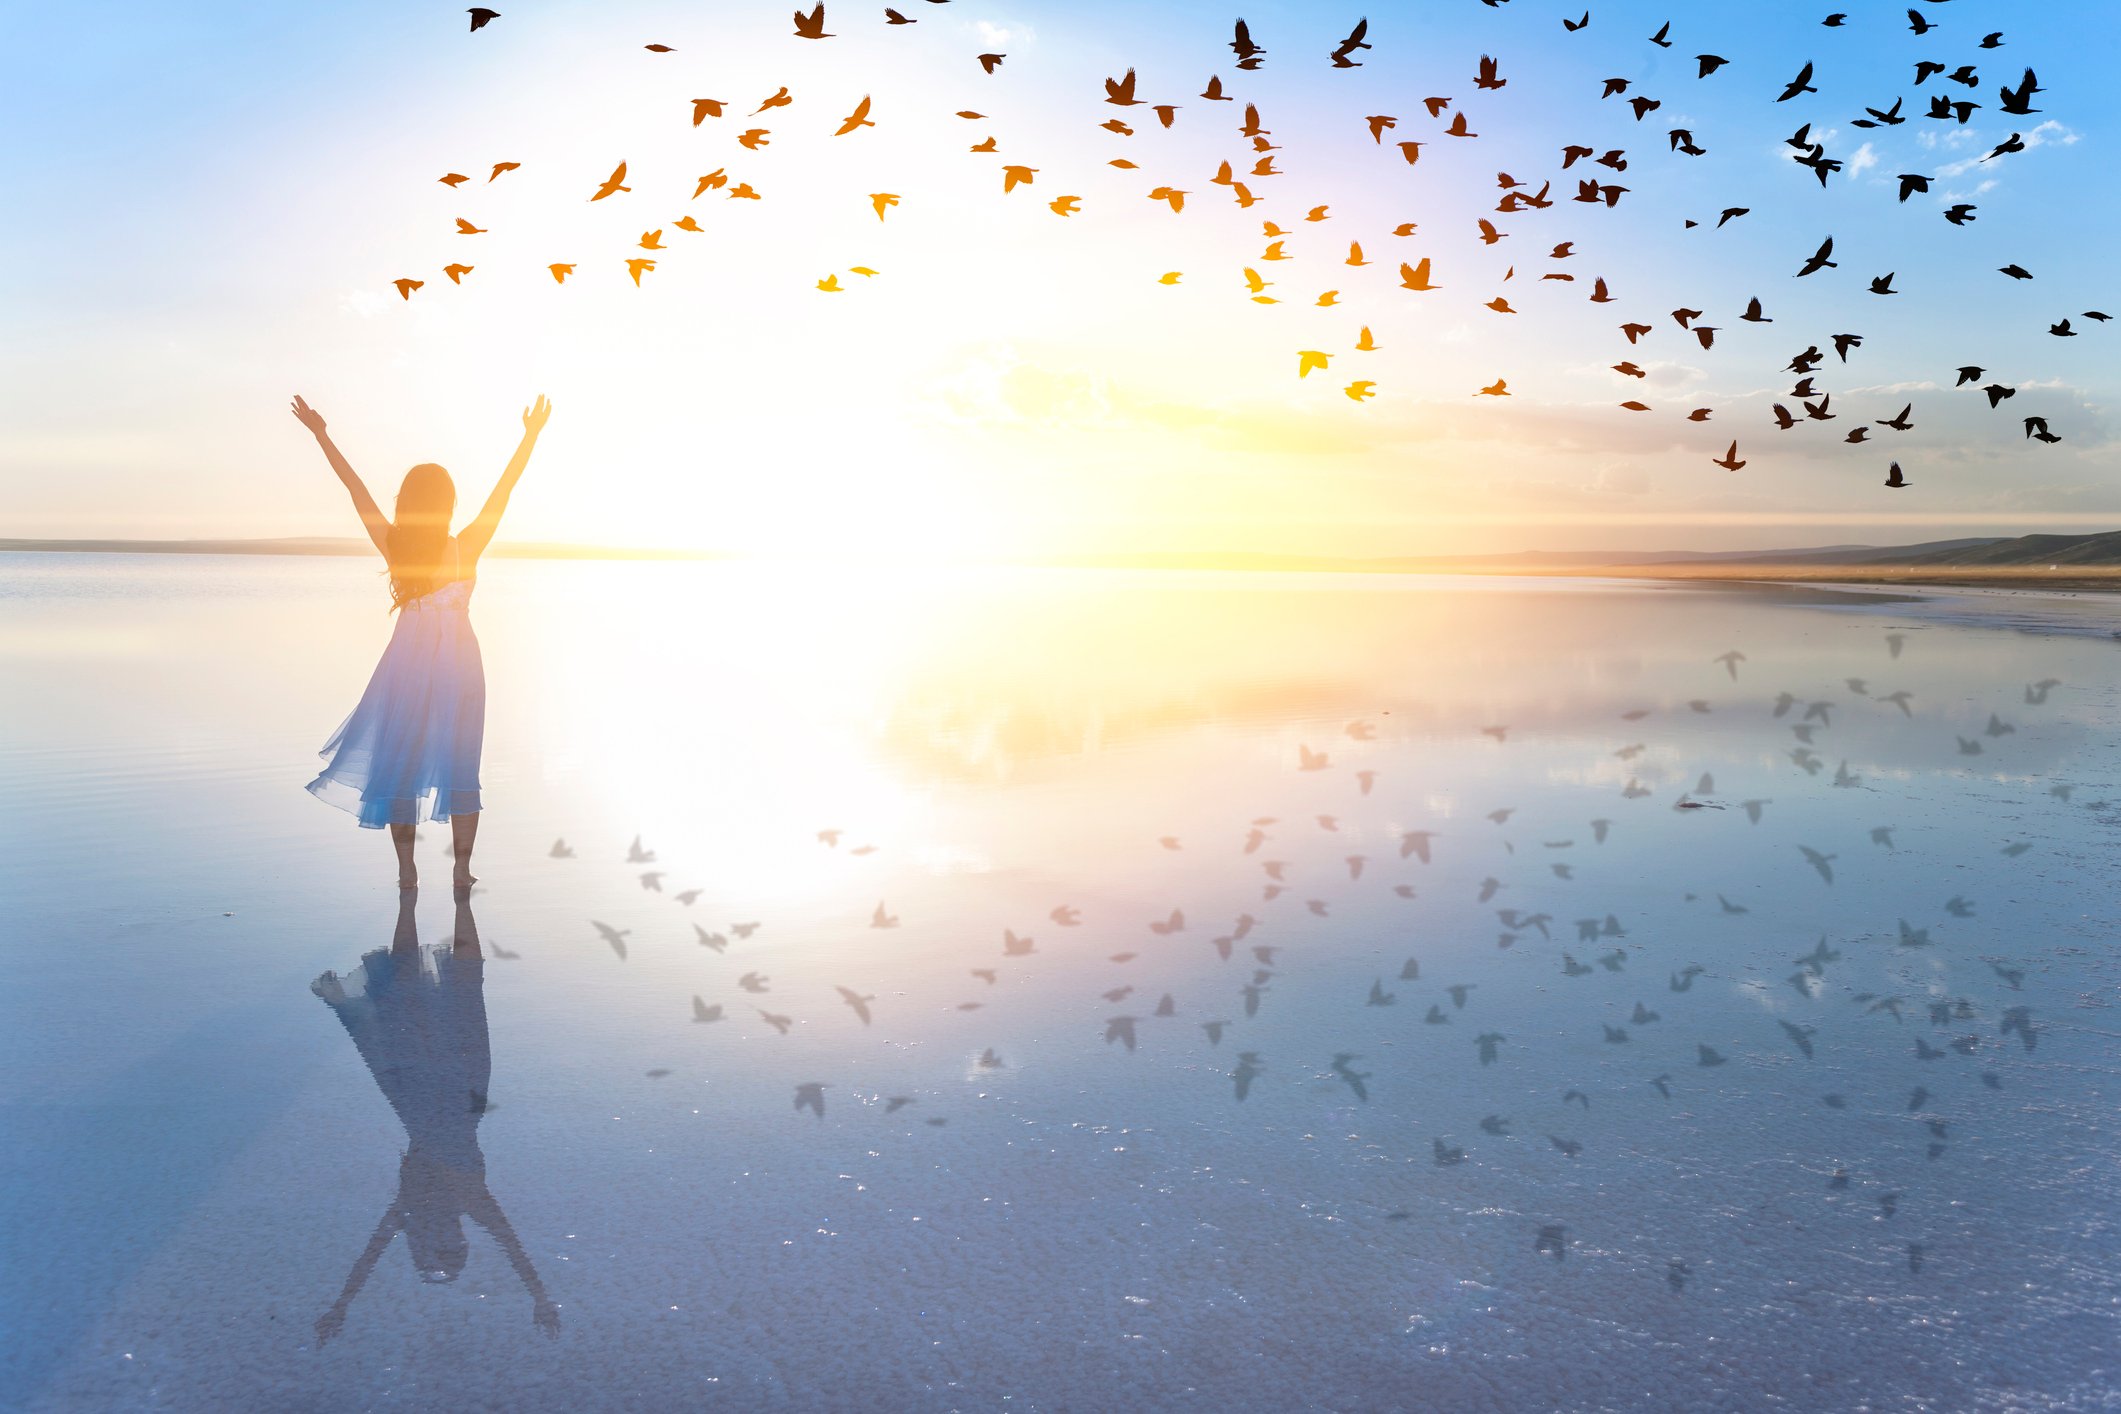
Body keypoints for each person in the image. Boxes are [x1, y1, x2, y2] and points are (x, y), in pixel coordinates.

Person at [291, 393, 551, 887]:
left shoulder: (394, 545)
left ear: (406, 504)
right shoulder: (467, 546)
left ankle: (407, 872)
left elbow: (354, 488)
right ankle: (462, 870)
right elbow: (505, 491)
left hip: (407, 666)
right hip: (459, 666)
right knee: (461, 763)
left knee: (402, 765)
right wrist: (530, 436)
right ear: (449, 504)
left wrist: (322, 435)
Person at [311, 889, 559, 1343]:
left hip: (422, 1097)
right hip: (458, 1092)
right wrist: (539, 1297)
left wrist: (341, 1306)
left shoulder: (410, 1211)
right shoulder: (469, 1202)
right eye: (450, 1247)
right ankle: (457, 897)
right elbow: (514, 1249)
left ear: (425, 1244)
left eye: (436, 1248)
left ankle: (416, 899)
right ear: (459, 1240)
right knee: (460, 991)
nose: (444, 1239)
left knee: (412, 998)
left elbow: (369, 1257)